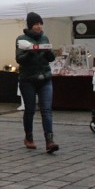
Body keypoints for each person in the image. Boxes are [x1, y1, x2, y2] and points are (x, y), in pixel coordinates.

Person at [16, 12, 59, 153]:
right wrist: (30, 51)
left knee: (46, 110)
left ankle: (50, 141)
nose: (39, 26)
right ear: (30, 25)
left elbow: (51, 58)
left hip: (45, 78)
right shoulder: (21, 39)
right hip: (28, 79)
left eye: (40, 23)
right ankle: (29, 138)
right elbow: (19, 59)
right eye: (36, 24)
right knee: (30, 110)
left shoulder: (44, 38)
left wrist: (47, 51)